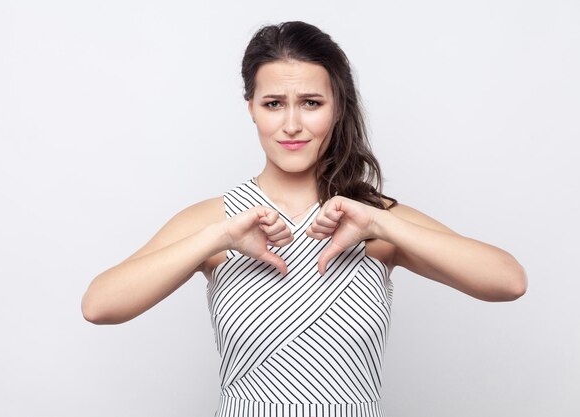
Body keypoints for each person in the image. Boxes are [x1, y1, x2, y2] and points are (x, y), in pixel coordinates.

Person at [81, 21, 527, 417]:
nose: (292, 124)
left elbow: (508, 281)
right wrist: (217, 237)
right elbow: (99, 305)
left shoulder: (372, 220)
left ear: (337, 108)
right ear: (251, 108)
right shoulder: (215, 220)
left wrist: (381, 224)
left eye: (311, 102)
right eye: (274, 103)